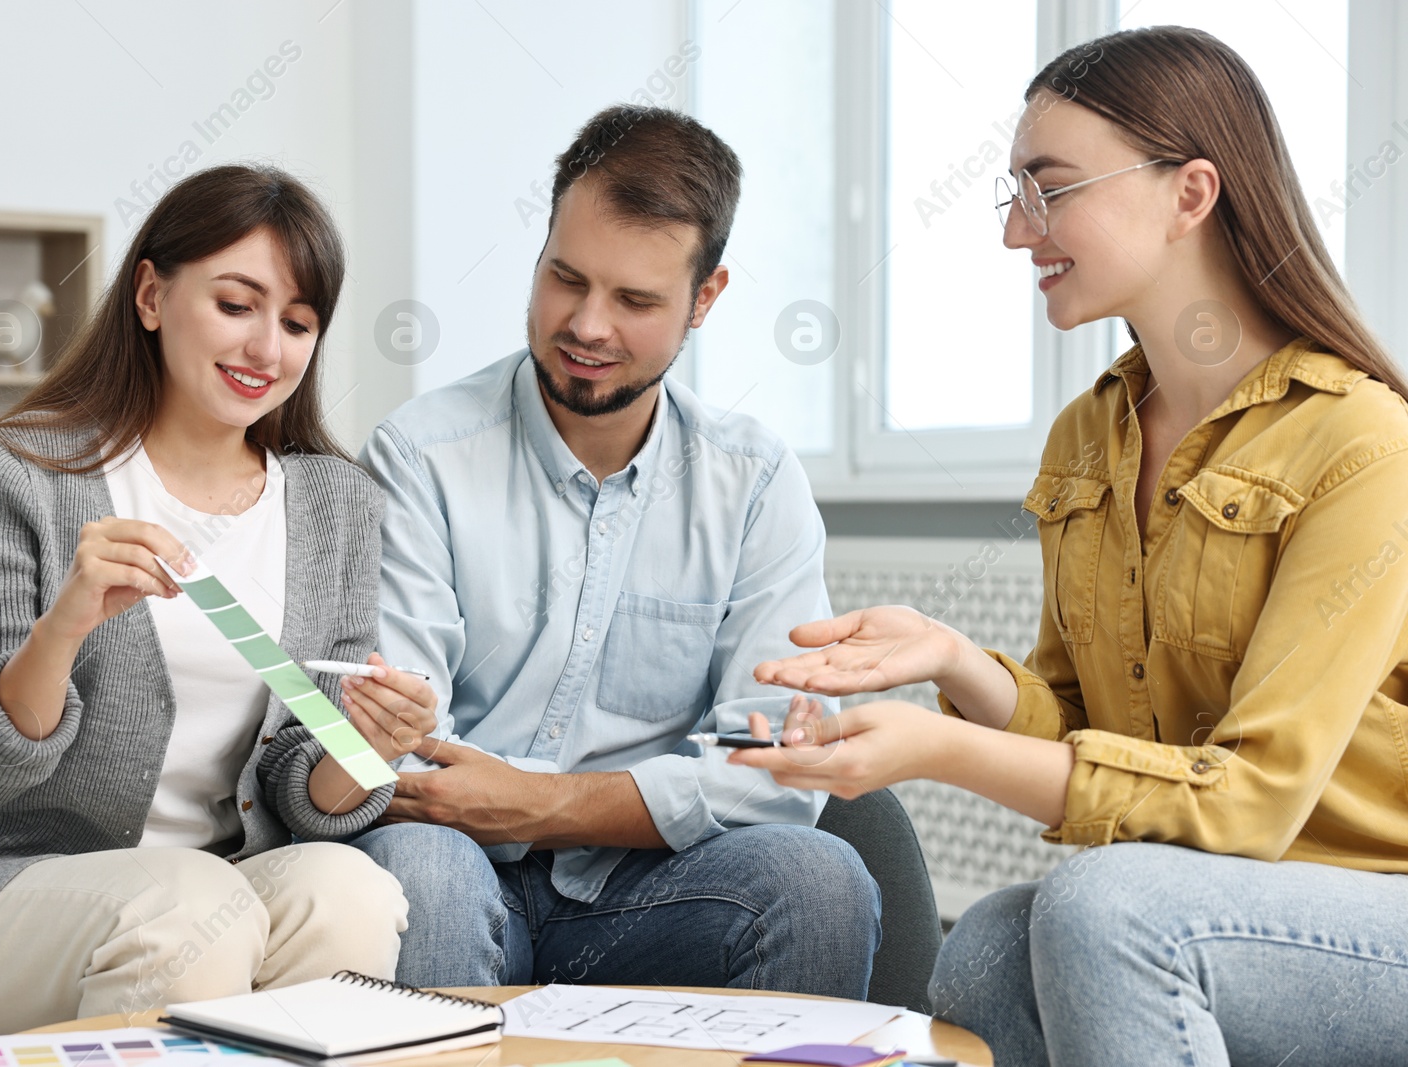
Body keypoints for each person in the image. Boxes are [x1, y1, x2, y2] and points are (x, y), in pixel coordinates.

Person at [730, 26, 1408, 1065]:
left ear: (1191, 192)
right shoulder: (1089, 436)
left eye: (1048, 189)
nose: (1015, 233)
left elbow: (1251, 804)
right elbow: (1083, 722)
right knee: (987, 950)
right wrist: (950, 659)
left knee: (1104, 905)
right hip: (1224, 900)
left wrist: (941, 751)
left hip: (1373, 912)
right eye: (1013, 195)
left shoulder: (1361, 440)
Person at [0, 165, 424, 1037]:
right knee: (182, 904)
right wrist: (67, 621)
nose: (268, 349)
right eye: (237, 305)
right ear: (151, 294)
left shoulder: (335, 503)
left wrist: (366, 744)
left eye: (298, 323)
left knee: (349, 891)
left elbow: (304, 792)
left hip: (209, 886)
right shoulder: (24, 475)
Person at [346, 105, 880, 997]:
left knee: (816, 881)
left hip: (653, 889)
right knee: (421, 869)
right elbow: (397, 751)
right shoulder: (420, 454)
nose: (588, 325)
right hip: (458, 863)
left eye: (634, 300)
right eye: (566, 279)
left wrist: (545, 803)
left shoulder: (752, 481)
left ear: (703, 300)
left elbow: (777, 770)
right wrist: (511, 806)